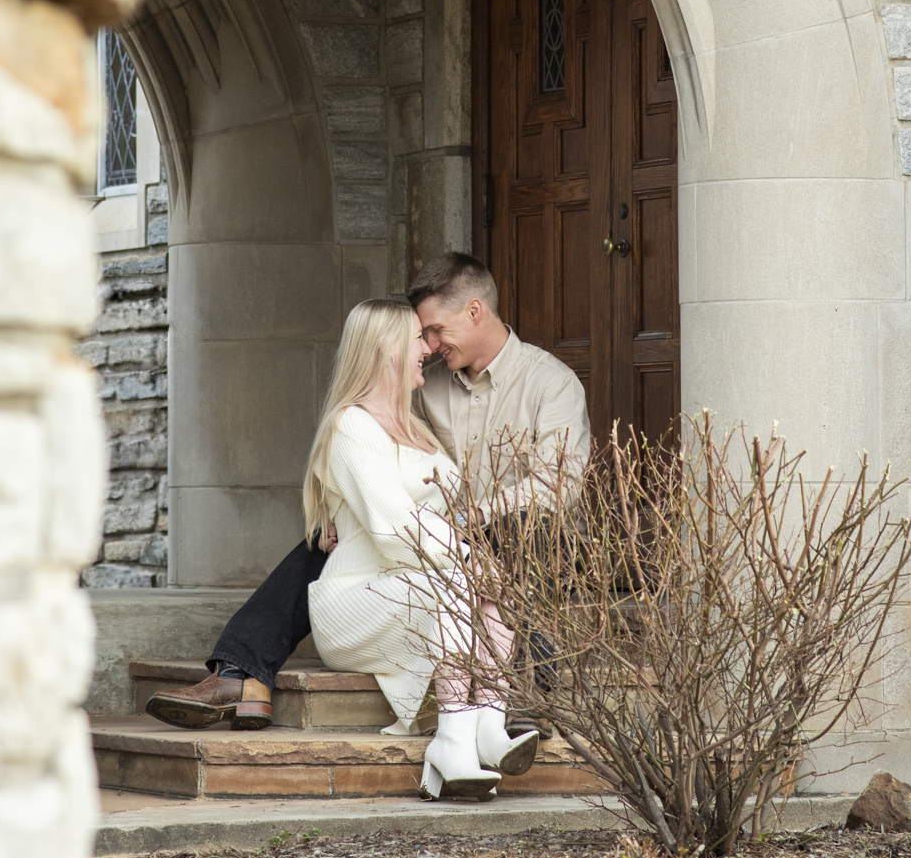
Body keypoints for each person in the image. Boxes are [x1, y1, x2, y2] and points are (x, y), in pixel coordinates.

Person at [145, 251, 589, 742]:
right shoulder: (425, 383)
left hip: (511, 531)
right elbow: (368, 447)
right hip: (428, 532)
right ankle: (239, 672)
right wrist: (337, 507)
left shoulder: (552, 384)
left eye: (436, 330)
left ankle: (526, 691)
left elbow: (557, 485)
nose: (431, 344)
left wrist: (473, 518)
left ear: (475, 311)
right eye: (423, 336)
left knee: (536, 530)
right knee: (325, 541)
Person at [302, 296, 537, 798]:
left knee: (495, 590)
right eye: (416, 338)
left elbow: (446, 513)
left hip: (417, 583)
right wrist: (472, 560)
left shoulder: (417, 430)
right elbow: (391, 528)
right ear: (387, 348)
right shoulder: (350, 425)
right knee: (461, 578)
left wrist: (479, 564)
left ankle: (489, 727)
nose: (427, 349)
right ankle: (452, 738)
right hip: (354, 600)